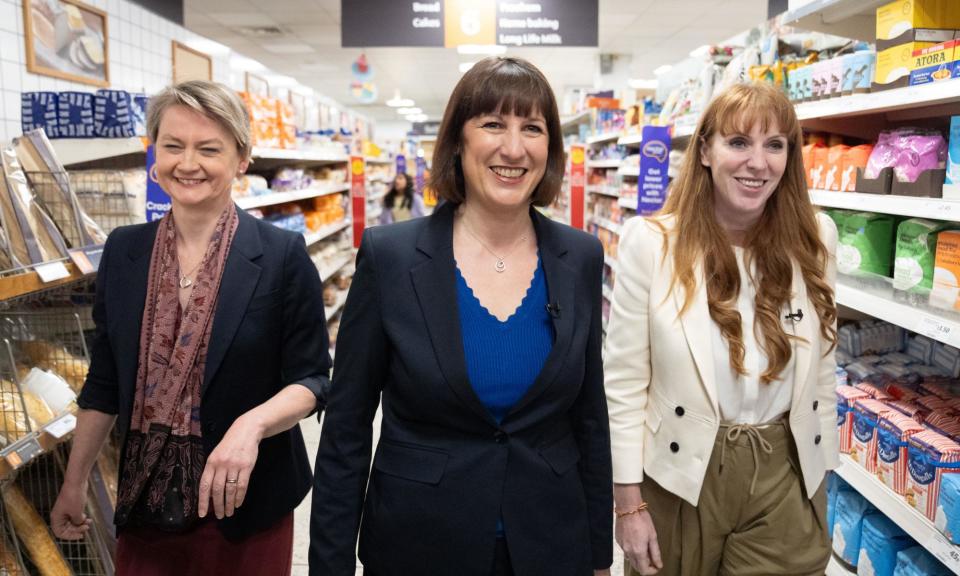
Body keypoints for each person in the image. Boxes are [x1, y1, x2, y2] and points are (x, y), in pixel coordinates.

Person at [310, 56, 613, 576]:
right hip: (420, 541)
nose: (513, 148)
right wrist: (330, 566)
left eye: (532, 129)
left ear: (550, 148)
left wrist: (597, 554)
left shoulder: (579, 256)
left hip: (549, 541)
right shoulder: (392, 257)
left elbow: (588, 417)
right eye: (493, 124)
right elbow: (347, 429)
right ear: (457, 140)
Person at [50, 80, 331, 575]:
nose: (187, 163)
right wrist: (74, 480)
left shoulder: (281, 256)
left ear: (242, 158)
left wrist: (253, 425)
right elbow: (106, 380)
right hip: (145, 504)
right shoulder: (124, 250)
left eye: (209, 149)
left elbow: (312, 379)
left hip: (245, 509)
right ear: (153, 151)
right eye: (173, 145)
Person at [604, 82, 838, 576]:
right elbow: (624, 384)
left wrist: (821, 477)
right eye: (738, 143)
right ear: (705, 150)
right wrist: (627, 503)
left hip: (785, 470)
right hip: (680, 470)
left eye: (775, 145)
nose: (758, 162)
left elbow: (822, 370)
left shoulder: (816, 239)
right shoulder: (651, 243)